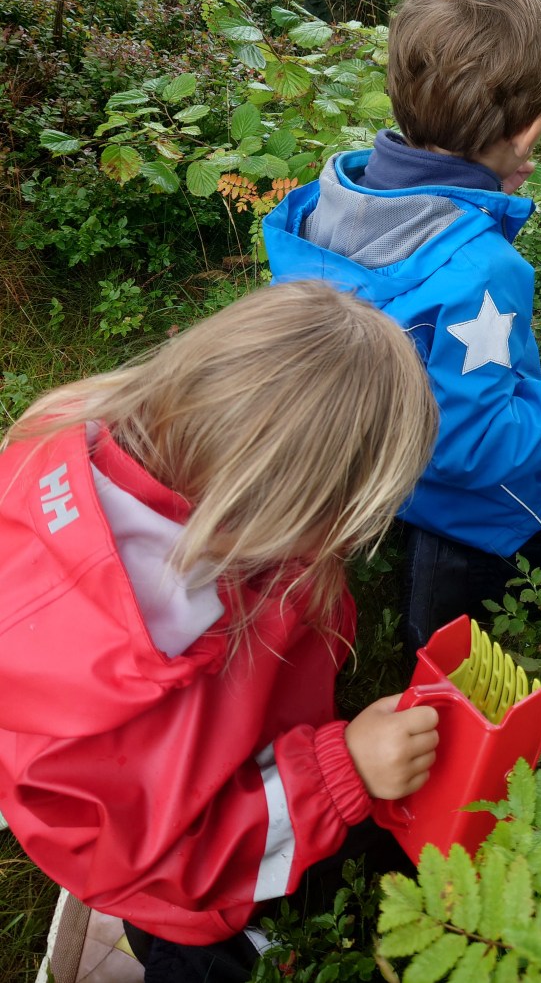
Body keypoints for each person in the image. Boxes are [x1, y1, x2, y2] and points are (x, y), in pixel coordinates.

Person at [0, 282, 440, 982]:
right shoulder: (142, 665)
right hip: (168, 882)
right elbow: (174, 861)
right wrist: (339, 771)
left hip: (215, 777)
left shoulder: (171, 479)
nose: (347, 550)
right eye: (343, 526)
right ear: (276, 508)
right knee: (200, 960)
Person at [263, 0, 541, 652]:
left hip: (374, 470)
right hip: (483, 501)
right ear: (527, 130)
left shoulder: (331, 199)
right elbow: (475, 445)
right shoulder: (480, 271)